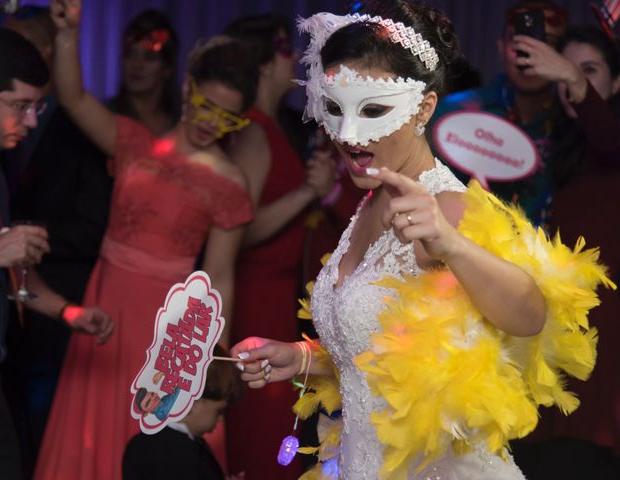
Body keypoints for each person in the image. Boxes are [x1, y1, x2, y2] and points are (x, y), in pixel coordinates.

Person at [231, 1, 612, 479]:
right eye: (334, 108)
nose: (348, 135)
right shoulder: (371, 199)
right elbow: (381, 357)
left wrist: (450, 244)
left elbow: (531, 315)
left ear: (423, 107)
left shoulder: (449, 206)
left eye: (372, 109)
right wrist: (300, 356)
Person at [34, 1, 258, 479]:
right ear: (185, 87)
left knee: (157, 438)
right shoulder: (135, 141)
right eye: (204, 105)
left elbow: (219, 276)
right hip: (107, 306)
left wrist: (211, 363)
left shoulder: (229, 182)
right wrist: (70, 33)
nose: (209, 122)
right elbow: (73, 98)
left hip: (167, 326)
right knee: (92, 430)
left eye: (226, 118)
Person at [0, 26, 113, 480]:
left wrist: (68, 312)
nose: (33, 121)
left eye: (37, 107)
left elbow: (9, 275)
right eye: (19, 106)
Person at [222, 13, 336, 479]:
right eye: (287, 52)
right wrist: (308, 193)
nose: (297, 61)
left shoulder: (274, 125)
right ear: (267, 64)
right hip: (257, 293)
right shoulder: (253, 130)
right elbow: (239, 229)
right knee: (263, 418)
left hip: (277, 288)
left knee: (275, 417)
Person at [508, 25, 620, 473]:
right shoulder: (558, 147)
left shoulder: (610, 144)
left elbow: (609, 143)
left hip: (604, 346)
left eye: (589, 71)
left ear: (616, 82)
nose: (575, 82)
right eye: (568, 74)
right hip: (553, 333)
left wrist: (573, 81)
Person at [431, 0, 568, 227]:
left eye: (545, 44)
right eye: (520, 43)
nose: (529, 56)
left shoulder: (572, 124)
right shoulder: (453, 113)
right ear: (501, 48)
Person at [123, 347, 243, 480]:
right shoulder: (176, 453)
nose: (221, 418)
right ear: (192, 403)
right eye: (218, 411)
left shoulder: (141, 443)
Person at [108, 9, 180, 136]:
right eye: (130, 55)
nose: (136, 65)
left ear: (167, 69)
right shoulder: (106, 116)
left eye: (149, 57)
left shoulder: (182, 121)